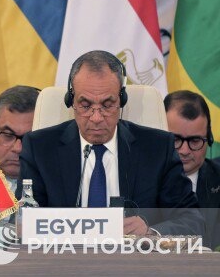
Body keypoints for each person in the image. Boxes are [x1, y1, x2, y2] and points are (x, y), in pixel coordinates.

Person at [20, 50, 202, 237]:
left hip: (134, 256)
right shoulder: (39, 148)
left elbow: (192, 220)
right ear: (71, 101)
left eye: (107, 105)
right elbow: (24, 222)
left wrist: (151, 232)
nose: (96, 118)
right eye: (85, 105)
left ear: (121, 100)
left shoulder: (158, 148)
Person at [165, 90, 220, 246]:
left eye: (195, 141)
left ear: (209, 139)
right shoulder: (137, 178)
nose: (184, 151)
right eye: (175, 139)